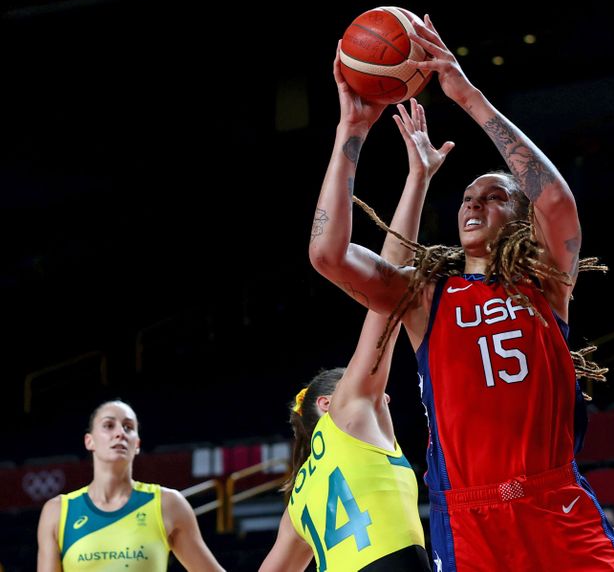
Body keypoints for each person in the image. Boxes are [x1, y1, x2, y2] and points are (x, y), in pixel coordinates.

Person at [309, 15, 614, 571]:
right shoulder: (426, 295)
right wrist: (351, 134)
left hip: (557, 504)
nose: (473, 203)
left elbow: (557, 204)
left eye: (494, 195)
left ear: (522, 218)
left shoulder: (547, 282)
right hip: (471, 518)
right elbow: (327, 254)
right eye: (466, 198)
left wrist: (468, 96)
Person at [259, 97, 452, 571]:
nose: (382, 394)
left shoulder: (298, 503)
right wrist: (418, 180)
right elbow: (388, 291)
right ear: (327, 403)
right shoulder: (350, 409)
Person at [36, 400, 225, 571]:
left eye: (128, 427)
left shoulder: (168, 504)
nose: (120, 433)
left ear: (137, 444)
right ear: (89, 441)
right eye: (108, 425)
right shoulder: (58, 511)